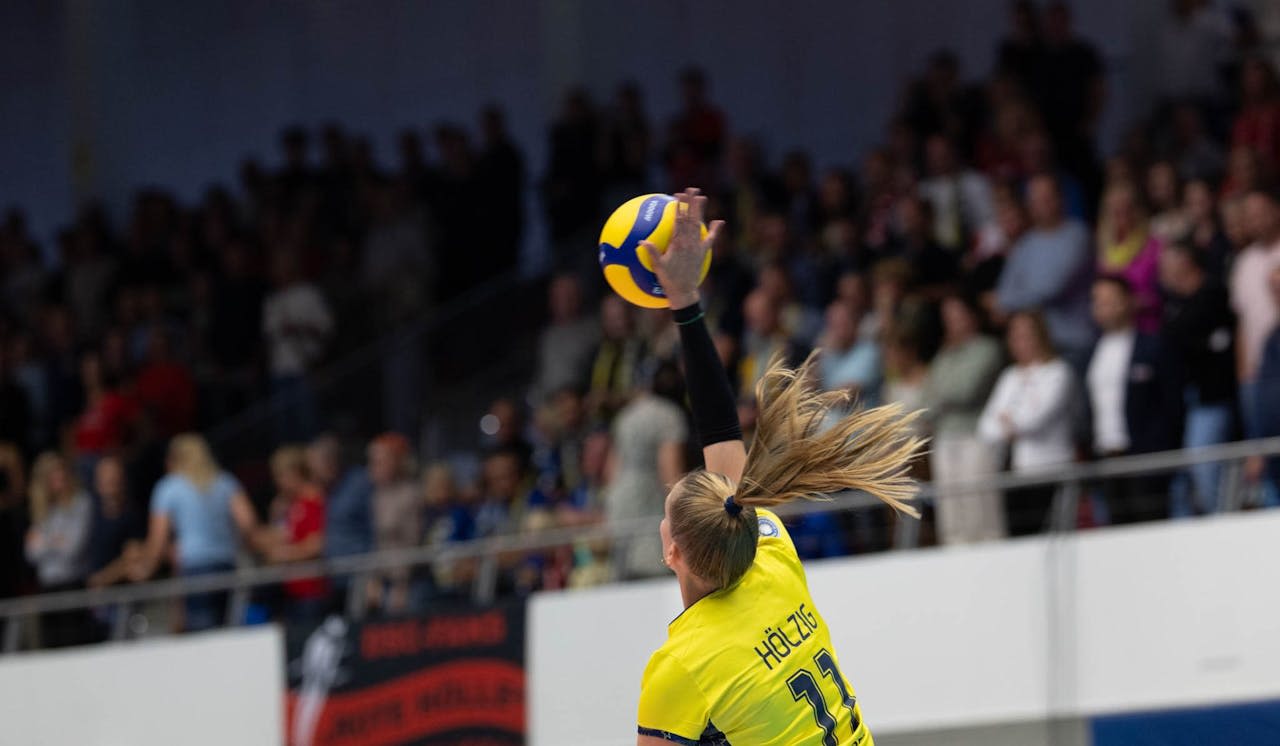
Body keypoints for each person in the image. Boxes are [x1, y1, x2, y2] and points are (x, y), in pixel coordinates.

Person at [634, 189, 922, 745]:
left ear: (672, 552)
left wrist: (686, 300)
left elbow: (718, 433)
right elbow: (720, 430)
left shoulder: (683, 665)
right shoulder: (770, 553)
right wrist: (686, 300)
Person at [130, 434, 265, 632]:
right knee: (227, 630)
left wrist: (145, 568)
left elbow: (158, 539)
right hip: (226, 565)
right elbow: (248, 523)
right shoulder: (225, 482)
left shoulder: (169, 487)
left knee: (202, 634)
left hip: (194, 570)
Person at [1085, 277, 1182, 524]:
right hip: (1106, 456)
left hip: (1144, 457)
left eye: (1110, 301)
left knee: (1151, 527)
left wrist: (1162, 450)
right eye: (1098, 301)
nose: (1103, 308)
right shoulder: (1092, 352)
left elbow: (1173, 404)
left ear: (1128, 302)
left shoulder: (1152, 345)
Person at [978, 312, 1077, 536]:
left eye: (1027, 335)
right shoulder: (1009, 376)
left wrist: (1007, 419)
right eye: (1016, 336)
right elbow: (985, 428)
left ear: (1041, 336)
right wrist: (1012, 424)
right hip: (1015, 472)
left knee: (1051, 535)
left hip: (1050, 468)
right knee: (1019, 538)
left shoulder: (1057, 372)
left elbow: (1035, 421)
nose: (1021, 342)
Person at [1161, 242, 1239, 517]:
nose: (1162, 270)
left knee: (1205, 464)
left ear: (1185, 262)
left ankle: (1221, 521)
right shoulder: (1173, 305)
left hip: (1211, 399)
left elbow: (1220, 346)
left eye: (1167, 262)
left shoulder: (1213, 296)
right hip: (1181, 404)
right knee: (1182, 475)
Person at [922, 293, 1007, 544]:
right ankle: (955, 550)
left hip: (975, 434)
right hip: (945, 437)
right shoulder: (943, 356)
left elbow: (966, 389)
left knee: (978, 503)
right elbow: (927, 397)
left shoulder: (987, 349)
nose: (952, 323)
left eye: (957, 316)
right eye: (947, 318)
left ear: (972, 317)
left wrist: (941, 396)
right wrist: (942, 397)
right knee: (951, 506)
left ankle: (990, 549)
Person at [995, 175, 1096, 372]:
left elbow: (1052, 287)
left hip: (1074, 345)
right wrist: (1009, 300)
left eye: (1046, 198)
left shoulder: (1078, 236)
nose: (1041, 205)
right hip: (1037, 348)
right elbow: (1003, 294)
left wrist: (1014, 300)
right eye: (1035, 200)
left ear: (1061, 199)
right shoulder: (1025, 244)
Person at [604, 362, 688, 579]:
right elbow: (670, 472)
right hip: (647, 502)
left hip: (620, 499)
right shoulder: (669, 415)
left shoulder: (626, 415)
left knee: (623, 571)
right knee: (652, 571)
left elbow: (611, 470)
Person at [24, 452, 93, 647]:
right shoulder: (43, 511)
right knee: (51, 645)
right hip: (48, 588)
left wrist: (45, 543)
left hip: (73, 585)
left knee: (75, 645)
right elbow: (31, 553)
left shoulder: (81, 503)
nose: (59, 481)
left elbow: (73, 549)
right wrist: (55, 542)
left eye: (61, 474)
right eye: (53, 477)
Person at [1231, 189, 1280, 445]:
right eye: (1250, 216)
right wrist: (1243, 372)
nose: (1256, 220)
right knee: (1263, 452)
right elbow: (1242, 321)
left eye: (1261, 212)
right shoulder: (1243, 262)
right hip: (1256, 374)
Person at [264, 446, 328, 623]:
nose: (278, 482)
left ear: (296, 473)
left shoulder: (313, 500)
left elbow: (318, 543)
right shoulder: (289, 505)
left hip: (311, 591)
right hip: (291, 590)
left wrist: (287, 554)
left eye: (281, 475)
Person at [1095, 182, 1165, 333]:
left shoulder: (1153, 246)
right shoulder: (1105, 248)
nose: (1120, 214)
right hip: (1115, 331)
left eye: (1125, 208)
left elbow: (1165, 293)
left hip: (1147, 329)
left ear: (1136, 210)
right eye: (1114, 210)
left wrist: (1135, 303)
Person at [366, 433, 419, 614]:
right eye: (372, 462)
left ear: (397, 462)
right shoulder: (376, 496)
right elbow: (377, 543)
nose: (373, 468)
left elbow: (413, 543)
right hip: (384, 578)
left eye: (380, 462)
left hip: (407, 581)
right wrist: (374, 579)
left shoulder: (411, 495)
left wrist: (401, 586)